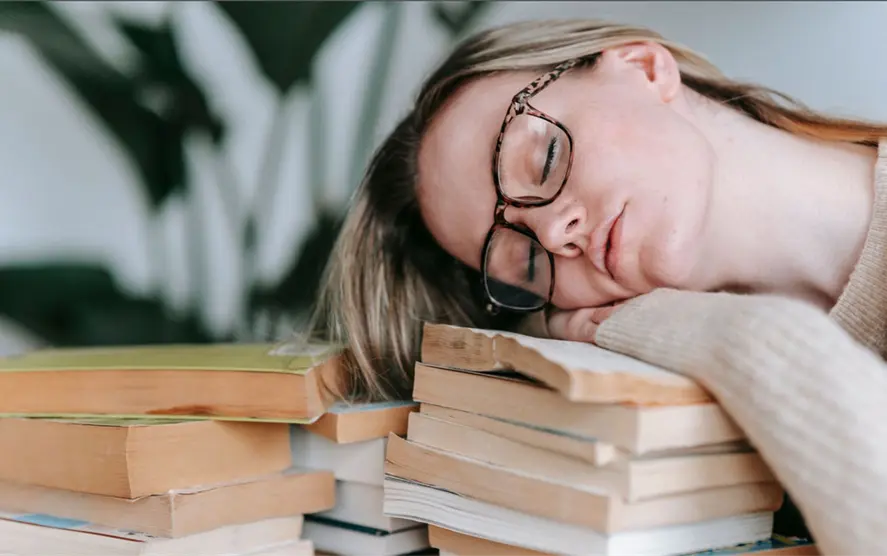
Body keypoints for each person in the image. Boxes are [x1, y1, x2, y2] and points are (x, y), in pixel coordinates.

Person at [308, 19, 887, 556]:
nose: (554, 233)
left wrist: (749, 341)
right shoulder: (698, 449)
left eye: (543, 160)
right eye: (525, 262)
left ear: (643, 67)